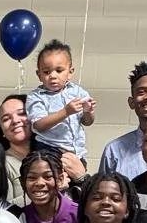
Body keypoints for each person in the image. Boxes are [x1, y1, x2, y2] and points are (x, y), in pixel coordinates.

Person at [26, 40, 96, 179]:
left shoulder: (77, 92)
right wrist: (65, 112)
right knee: (55, 186)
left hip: (77, 153)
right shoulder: (36, 97)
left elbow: (87, 122)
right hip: (49, 150)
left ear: (70, 72)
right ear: (39, 74)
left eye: (59, 70)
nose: (52, 76)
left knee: (75, 189)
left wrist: (88, 111)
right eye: (46, 72)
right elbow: (38, 125)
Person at [13, 148, 79, 223]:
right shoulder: (19, 220)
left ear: (60, 180)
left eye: (47, 177)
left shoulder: (79, 216)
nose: (40, 183)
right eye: (32, 178)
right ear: (23, 183)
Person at [0, 94, 32, 207]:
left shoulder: (55, 153)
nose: (15, 120)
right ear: (2, 131)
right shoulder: (0, 164)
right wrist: (51, 189)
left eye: (22, 113)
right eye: (6, 119)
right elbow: (5, 208)